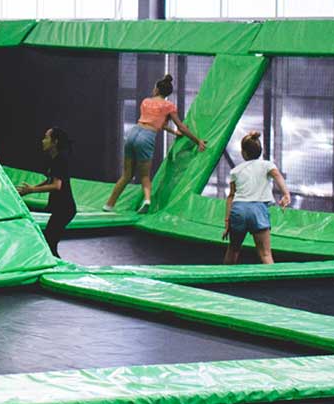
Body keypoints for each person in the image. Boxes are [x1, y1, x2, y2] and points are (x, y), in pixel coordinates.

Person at [106, 74, 206, 214]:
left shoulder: (146, 102)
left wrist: (172, 132)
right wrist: (198, 141)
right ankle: (147, 200)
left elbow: (153, 121)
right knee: (145, 176)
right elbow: (181, 127)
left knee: (126, 175)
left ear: (157, 90)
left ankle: (109, 204)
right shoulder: (169, 106)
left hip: (133, 133)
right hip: (147, 137)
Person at [222, 132, 290, 265]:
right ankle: (273, 283)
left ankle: (222, 282)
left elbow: (231, 196)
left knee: (233, 249)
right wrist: (286, 194)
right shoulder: (267, 165)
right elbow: (277, 175)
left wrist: (227, 223)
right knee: (265, 253)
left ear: (244, 153)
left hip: (239, 210)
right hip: (258, 211)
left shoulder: (236, 171)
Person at [17, 128, 76, 257]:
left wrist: (32, 190)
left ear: (54, 142)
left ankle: (59, 270)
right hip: (59, 208)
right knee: (49, 242)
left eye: (46, 138)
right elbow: (50, 180)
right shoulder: (54, 159)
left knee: (50, 242)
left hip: (65, 209)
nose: (43, 141)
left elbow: (56, 186)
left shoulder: (61, 159)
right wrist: (30, 189)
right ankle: (57, 268)